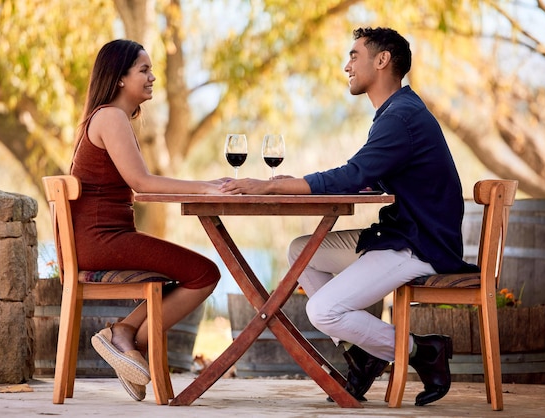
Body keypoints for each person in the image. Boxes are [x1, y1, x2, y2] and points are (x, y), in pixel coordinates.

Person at [220, 27, 478, 406]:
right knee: (302, 250)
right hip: (399, 233)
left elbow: (353, 175)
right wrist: (300, 183)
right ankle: (364, 351)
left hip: (419, 244)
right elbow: (367, 176)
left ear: (382, 59)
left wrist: (270, 186)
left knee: (322, 310)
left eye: (354, 55)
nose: (347, 66)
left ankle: (421, 351)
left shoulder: (401, 117)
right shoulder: (397, 112)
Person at [69, 39, 222, 401]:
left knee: (191, 272)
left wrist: (204, 189)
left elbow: (136, 188)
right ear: (120, 78)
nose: (153, 77)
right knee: (204, 274)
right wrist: (207, 188)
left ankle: (126, 343)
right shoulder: (110, 117)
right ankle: (124, 339)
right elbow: (142, 183)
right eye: (145, 70)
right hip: (102, 241)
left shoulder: (110, 118)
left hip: (102, 239)